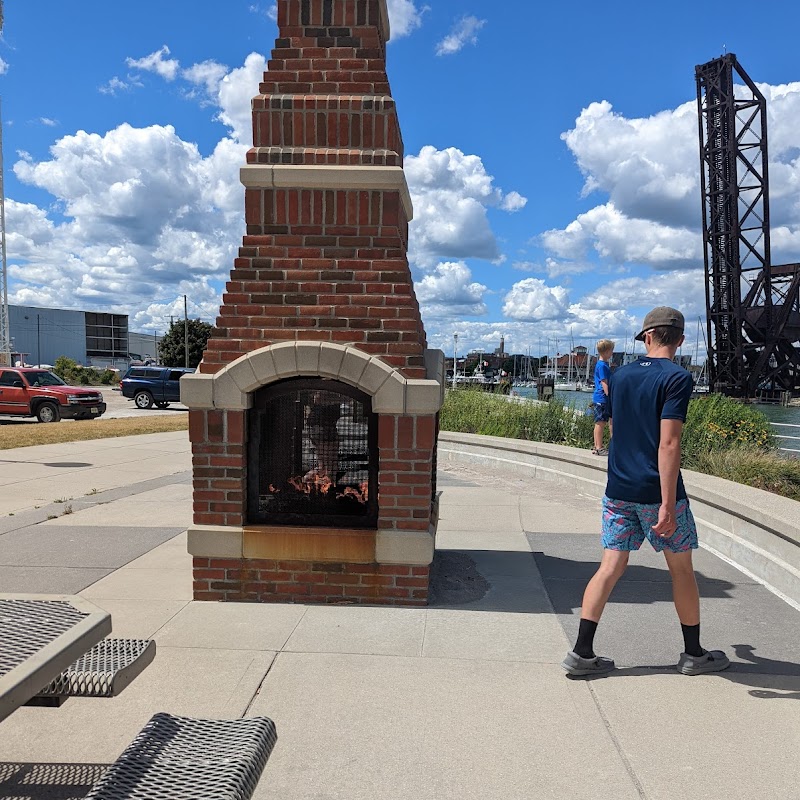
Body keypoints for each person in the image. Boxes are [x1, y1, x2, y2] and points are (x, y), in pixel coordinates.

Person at [562, 306, 730, 678]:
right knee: (681, 570)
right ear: (681, 340)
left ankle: (581, 653)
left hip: (618, 488)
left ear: (647, 337)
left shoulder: (619, 376)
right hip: (657, 491)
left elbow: (619, 427)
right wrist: (668, 505)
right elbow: (668, 444)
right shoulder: (678, 378)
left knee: (609, 567)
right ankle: (693, 655)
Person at [591, 339, 614, 455]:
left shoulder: (599, 364)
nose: (612, 353)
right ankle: (599, 447)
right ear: (605, 352)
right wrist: (610, 395)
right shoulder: (603, 366)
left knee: (598, 422)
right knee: (601, 422)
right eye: (611, 351)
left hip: (598, 397)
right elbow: (604, 382)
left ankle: (596, 446)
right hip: (602, 397)